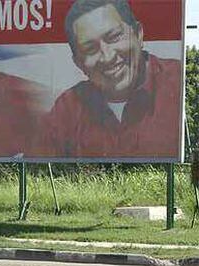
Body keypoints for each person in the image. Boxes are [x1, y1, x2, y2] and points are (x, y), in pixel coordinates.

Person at [36, 0, 181, 158]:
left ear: (138, 34)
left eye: (114, 37)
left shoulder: (177, 83)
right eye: (90, 49)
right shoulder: (67, 110)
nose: (108, 57)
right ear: (78, 63)